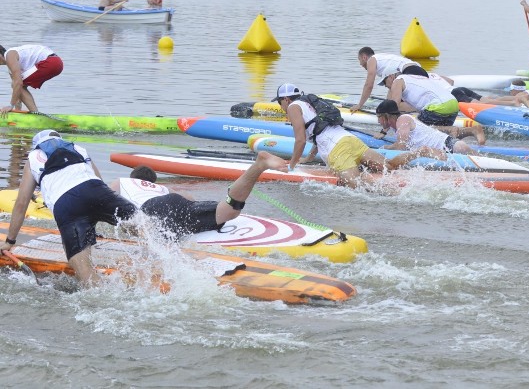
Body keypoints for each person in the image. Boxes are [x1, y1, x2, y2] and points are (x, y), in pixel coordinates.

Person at [0, 130, 139, 286]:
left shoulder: (33, 158)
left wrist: (10, 241)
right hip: (96, 189)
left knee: (86, 276)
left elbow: (21, 203)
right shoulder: (78, 148)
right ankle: (165, 248)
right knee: (141, 224)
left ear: (36, 146)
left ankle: (99, 296)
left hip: (66, 203)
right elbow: (99, 182)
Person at [274, 83, 439, 188]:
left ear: (286, 99)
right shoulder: (310, 103)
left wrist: (292, 166)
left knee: (357, 184)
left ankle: (397, 195)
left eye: (279, 102)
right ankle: (419, 152)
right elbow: (319, 129)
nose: (281, 106)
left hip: (336, 150)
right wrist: (310, 157)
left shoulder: (292, 107)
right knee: (388, 166)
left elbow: (301, 139)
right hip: (350, 140)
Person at [108, 151, 287, 239]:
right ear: (153, 182)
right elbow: (187, 196)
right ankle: (258, 166)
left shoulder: (122, 181)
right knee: (228, 209)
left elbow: (104, 199)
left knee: (154, 240)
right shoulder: (162, 188)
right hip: (176, 201)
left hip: (152, 207)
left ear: (133, 177)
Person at [381, 70, 486, 144]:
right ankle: (472, 130)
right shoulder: (415, 77)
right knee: (439, 136)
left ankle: (450, 129)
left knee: (419, 128)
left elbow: (393, 109)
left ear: (391, 76)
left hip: (438, 106)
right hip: (453, 103)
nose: (386, 86)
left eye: (385, 83)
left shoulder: (397, 81)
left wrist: (383, 131)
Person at [374, 99, 477, 155]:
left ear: (387, 116)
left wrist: (381, 149)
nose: (378, 121)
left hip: (451, 146)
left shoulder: (403, 120)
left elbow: (401, 146)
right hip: (447, 147)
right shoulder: (397, 124)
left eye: (379, 117)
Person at [351, 47, 428, 113]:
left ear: (364, 57)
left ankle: (423, 111)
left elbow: (369, 85)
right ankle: (424, 109)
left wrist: (360, 105)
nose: (360, 64)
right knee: (396, 102)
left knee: (395, 106)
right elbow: (391, 87)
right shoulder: (385, 62)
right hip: (421, 71)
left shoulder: (371, 60)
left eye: (359, 60)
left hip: (410, 71)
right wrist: (387, 102)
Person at [0, 43, 64, 114]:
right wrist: (17, 111)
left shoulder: (9, 55)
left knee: (17, 84)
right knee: (17, 85)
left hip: (51, 62)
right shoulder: (12, 64)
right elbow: (17, 89)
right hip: (57, 63)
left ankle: (36, 113)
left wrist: (10, 105)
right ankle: (35, 113)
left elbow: (18, 84)